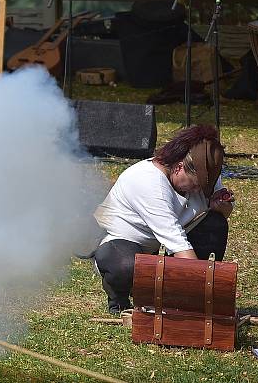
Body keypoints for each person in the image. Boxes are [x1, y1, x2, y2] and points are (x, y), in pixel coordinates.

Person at [92, 125, 233, 313]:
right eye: (195, 185)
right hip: (119, 243)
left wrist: (222, 208)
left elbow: (222, 214)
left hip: (158, 244)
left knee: (215, 223)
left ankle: (183, 298)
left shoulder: (204, 175)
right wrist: (210, 289)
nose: (198, 191)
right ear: (179, 167)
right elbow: (178, 243)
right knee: (126, 266)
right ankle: (118, 299)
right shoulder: (147, 182)